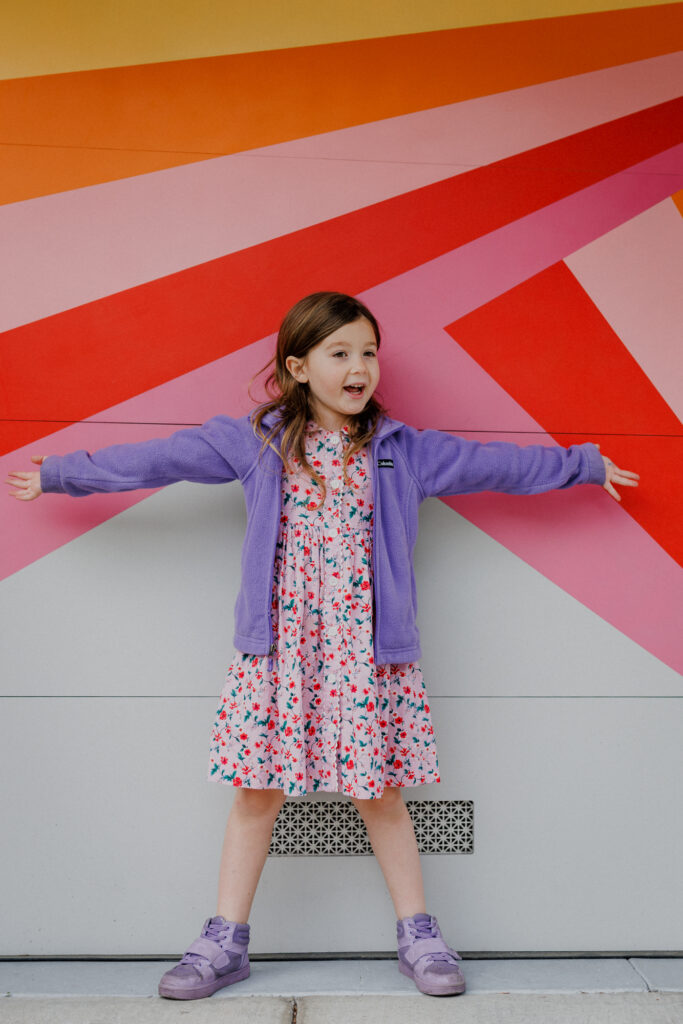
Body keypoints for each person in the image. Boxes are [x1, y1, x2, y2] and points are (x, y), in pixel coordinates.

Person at [6, 291, 639, 999]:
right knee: (255, 793)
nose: (358, 367)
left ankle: (419, 934)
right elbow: (158, 459)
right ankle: (224, 941)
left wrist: (581, 465)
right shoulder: (255, 441)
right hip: (278, 654)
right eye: (339, 353)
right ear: (297, 366)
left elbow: (495, 465)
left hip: (366, 657)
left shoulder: (403, 451)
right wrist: (63, 474)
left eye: (368, 352)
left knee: (381, 794)